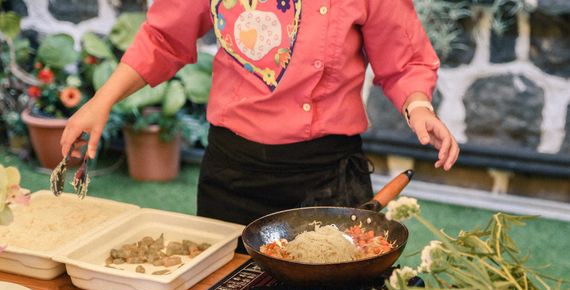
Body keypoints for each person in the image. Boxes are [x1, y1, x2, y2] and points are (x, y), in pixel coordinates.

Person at [60, 0, 459, 230]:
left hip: (325, 178)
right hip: (233, 175)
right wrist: (103, 100)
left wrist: (419, 106)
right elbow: (164, 37)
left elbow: (404, 61)